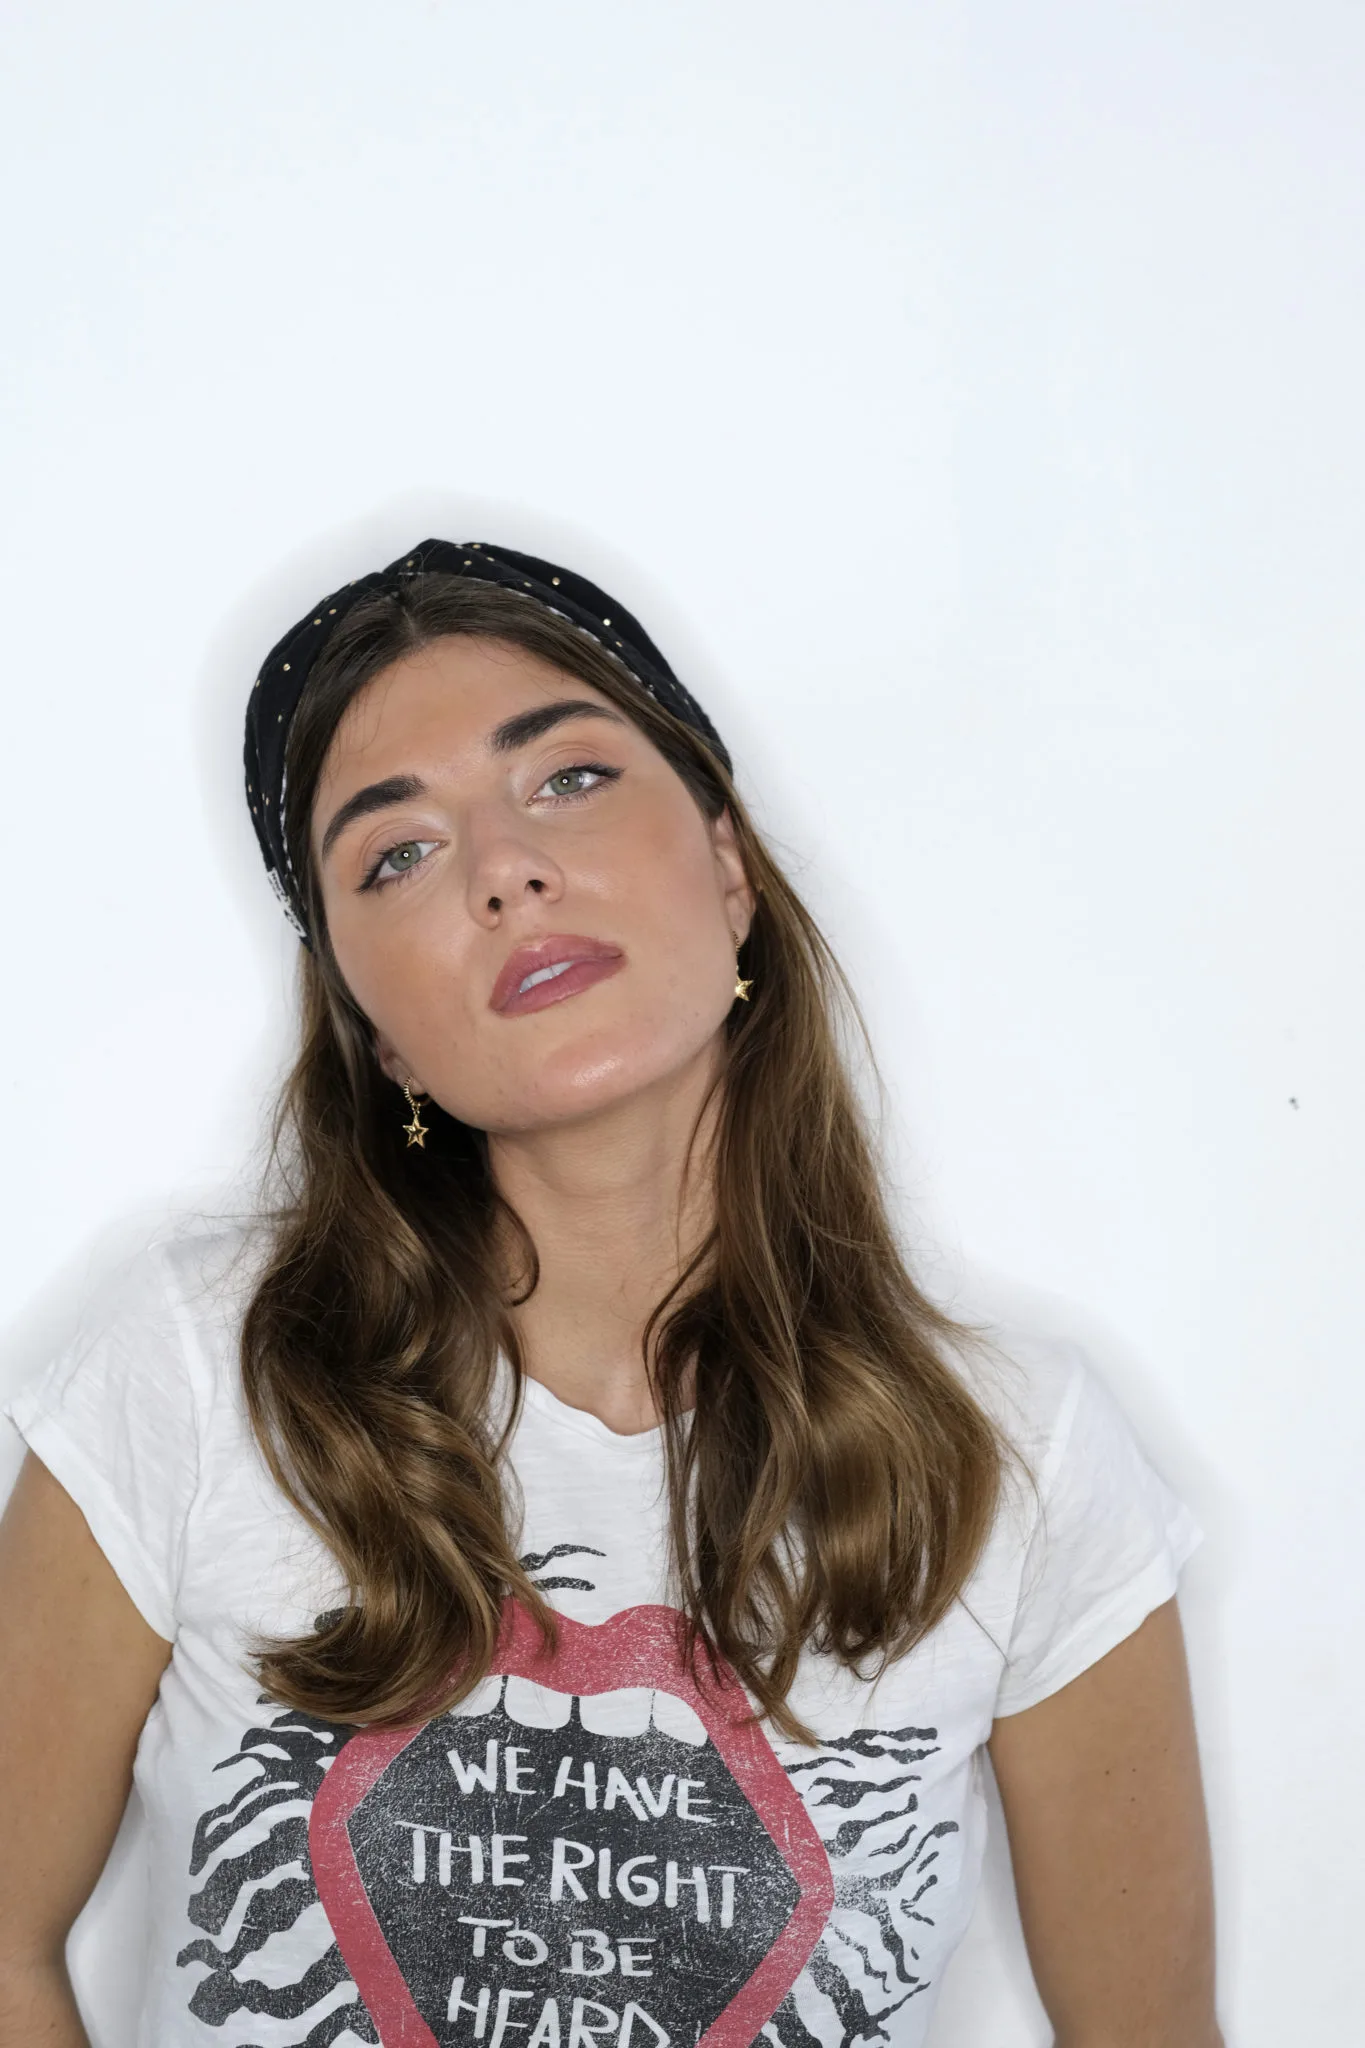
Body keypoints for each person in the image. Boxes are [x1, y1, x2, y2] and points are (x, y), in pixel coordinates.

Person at [0, 539, 1222, 2048]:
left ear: (729, 861)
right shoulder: (196, 1369)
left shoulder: (1023, 1457)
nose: (505, 869)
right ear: (376, 1033)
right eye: (397, 855)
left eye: (567, 778)